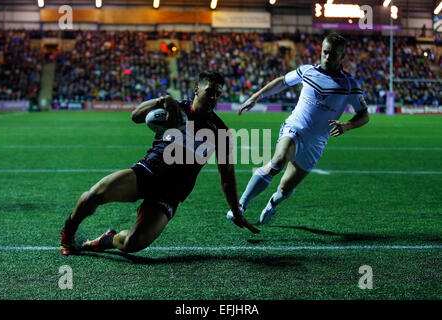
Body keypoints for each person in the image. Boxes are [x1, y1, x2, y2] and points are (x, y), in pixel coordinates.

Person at [60, 71, 259, 256]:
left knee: (133, 244)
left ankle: (106, 240)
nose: (213, 98)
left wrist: (235, 210)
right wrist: (162, 100)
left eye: (218, 94)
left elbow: (227, 178)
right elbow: (136, 116)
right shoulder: (175, 108)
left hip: (171, 194)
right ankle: (68, 232)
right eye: (210, 92)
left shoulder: (220, 132)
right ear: (197, 89)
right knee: (93, 196)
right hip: (147, 173)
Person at [227, 33, 369, 224]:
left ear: (342, 57)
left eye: (333, 55)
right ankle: (239, 206)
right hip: (295, 128)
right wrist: (256, 96)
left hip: (316, 143)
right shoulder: (307, 71)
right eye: (325, 52)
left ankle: (273, 203)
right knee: (277, 161)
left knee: (285, 189)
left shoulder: (349, 85)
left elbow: (364, 115)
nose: (328, 57)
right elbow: (282, 82)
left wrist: (347, 125)